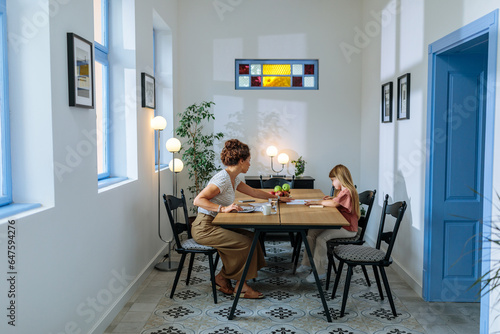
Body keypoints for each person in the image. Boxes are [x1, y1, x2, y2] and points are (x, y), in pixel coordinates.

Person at [192, 139, 292, 299]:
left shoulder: (233, 178)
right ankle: (241, 285)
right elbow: (198, 200)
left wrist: (277, 198)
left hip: (216, 224)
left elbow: (254, 192)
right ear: (241, 161)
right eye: (249, 161)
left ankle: (224, 277)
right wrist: (223, 208)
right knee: (245, 244)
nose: (250, 164)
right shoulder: (223, 179)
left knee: (252, 237)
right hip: (205, 227)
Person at [297, 164, 360, 283]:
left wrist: (317, 202)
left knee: (321, 238)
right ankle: (307, 263)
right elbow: (337, 202)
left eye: (333, 180)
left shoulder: (347, 191)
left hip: (348, 229)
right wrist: (331, 198)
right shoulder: (343, 191)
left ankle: (319, 272)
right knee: (312, 232)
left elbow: (336, 205)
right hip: (341, 225)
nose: (332, 183)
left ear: (340, 178)